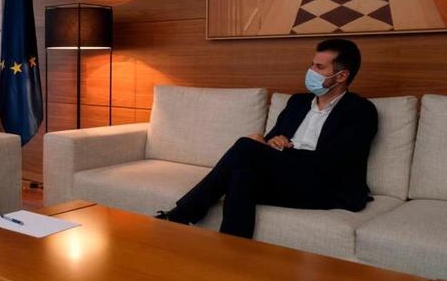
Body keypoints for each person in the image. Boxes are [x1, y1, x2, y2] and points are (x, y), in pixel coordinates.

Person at [156, 38, 378, 239]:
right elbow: (271, 139)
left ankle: (181, 214)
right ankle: (231, 253)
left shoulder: (360, 111)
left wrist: (278, 151)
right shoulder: (298, 102)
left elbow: (335, 162)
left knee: (245, 147)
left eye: (319, 67)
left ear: (341, 75)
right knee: (242, 177)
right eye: (311, 64)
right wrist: (272, 142)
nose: (311, 71)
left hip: (325, 186)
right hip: (288, 178)